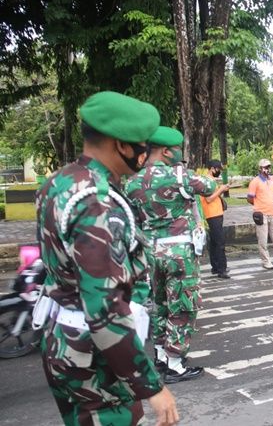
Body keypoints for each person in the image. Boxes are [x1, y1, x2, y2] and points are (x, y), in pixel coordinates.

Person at [35, 91, 178, 425]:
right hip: (95, 356)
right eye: (141, 143)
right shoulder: (98, 201)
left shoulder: (59, 182)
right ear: (121, 145)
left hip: (64, 343)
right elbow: (104, 307)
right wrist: (150, 387)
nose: (145, 151)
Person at [125, 126, 216, 384]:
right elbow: (209, 186)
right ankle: (175, 364)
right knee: (184, 305)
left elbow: (131, 219)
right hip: (179, 252)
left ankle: (161, 356)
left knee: (160, 305)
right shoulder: (179, 177)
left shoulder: (132, 181)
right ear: (166, 151)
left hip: (151, 252)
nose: (179, 153)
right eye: (177, 149)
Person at [201, 160, 231, 278]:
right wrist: (221, 189)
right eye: (218, 170)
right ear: (212, 169)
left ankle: (216, 267)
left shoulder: (210, 180)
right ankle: (222, 270)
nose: (219, 172)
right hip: (212, 214)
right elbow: (208, 199)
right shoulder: (206, 181)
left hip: (216, 213)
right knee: (219, 242)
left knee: (214, 242)